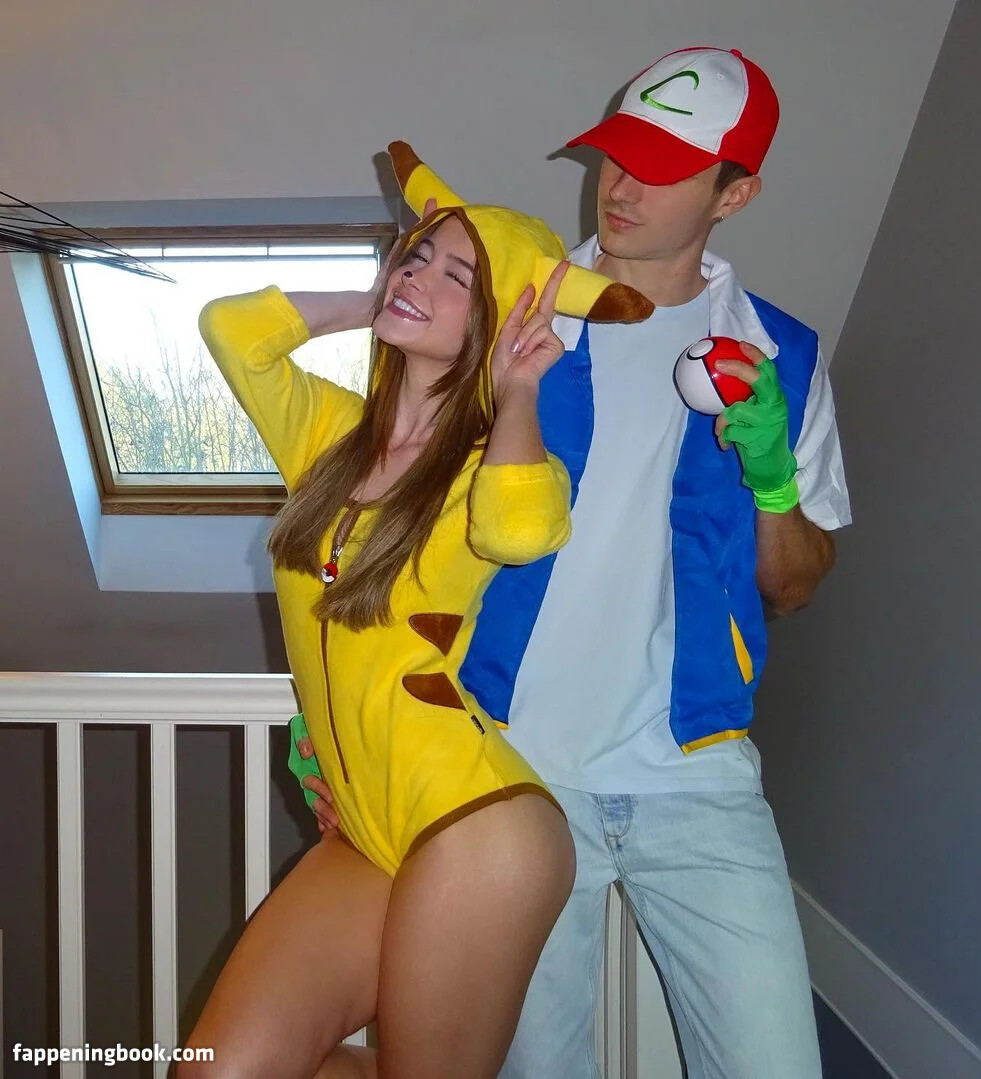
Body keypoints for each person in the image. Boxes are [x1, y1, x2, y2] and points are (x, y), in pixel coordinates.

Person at [298, 47, 851, 1079]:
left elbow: (795, 583)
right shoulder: (504, 314)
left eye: (666, 167)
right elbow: (379, 520)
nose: (623, 185)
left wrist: (773, 481)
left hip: (699, 776)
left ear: (736, 193)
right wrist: (335, 724)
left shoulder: (783, 357)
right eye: (617, 155)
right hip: (509, 775)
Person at [178, 142, 652, 1079]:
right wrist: (373, 302)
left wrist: (518, 389)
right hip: (364, 825)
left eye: (457, 277)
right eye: (416, 256)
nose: (418, 277)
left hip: (477, 825)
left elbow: (520, 530)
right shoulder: (329, 433)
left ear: (502, 319)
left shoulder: (496, 466)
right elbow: (229, 328)